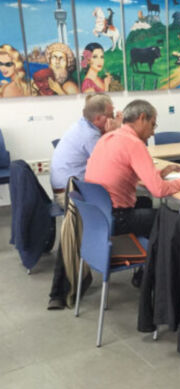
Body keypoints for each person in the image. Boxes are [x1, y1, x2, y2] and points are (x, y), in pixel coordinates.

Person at [47, 94, 121, 310]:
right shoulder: (91, 137)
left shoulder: (83, 127)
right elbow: (110, 163)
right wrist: (115, 132)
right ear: (99, 119)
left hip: (72, 188)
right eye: (110, 115)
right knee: (77, 225)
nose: (114, 117)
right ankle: (60, 291)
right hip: (71, 194)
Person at [85, 99, 180, 239]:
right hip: (117, 218)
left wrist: (160, 173)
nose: (152, 133)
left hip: (99, 214)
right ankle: (159, 256)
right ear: (141, 118)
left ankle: (150, 249)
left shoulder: (107, 137)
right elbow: (159, 191)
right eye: (153, 124)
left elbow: (123, 173)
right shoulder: (134, 143)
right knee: (173, 219)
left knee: (145, 202)